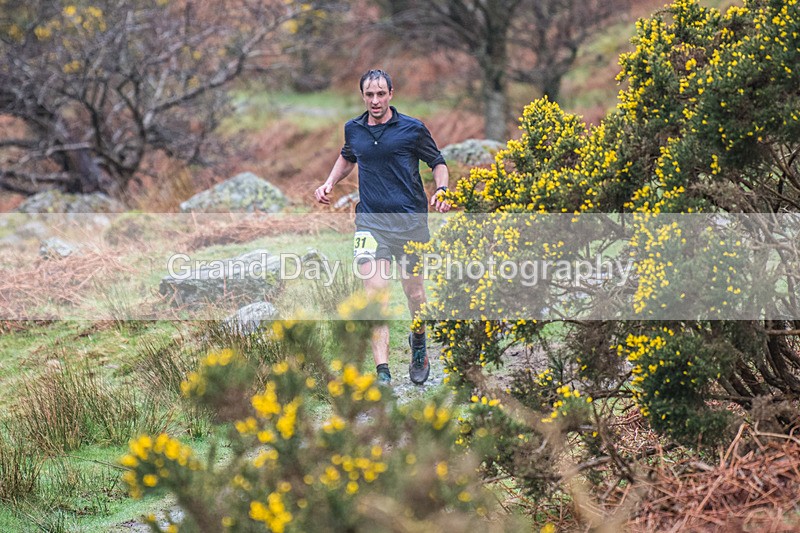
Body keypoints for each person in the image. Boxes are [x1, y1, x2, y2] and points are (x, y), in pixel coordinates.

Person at [315, 69, 451, 385]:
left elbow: (438, 163)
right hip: (370, 223)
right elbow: (348, 156)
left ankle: (419, 343)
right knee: (376, 297)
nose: (375, 100)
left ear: (391, 94)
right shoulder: (354, 129)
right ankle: (383, 373)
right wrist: (330, 182)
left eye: (380, 94)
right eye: (369, 95)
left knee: (414, 293)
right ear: (363, 96)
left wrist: (441, 190)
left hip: (410, 223)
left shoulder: (412, 129)